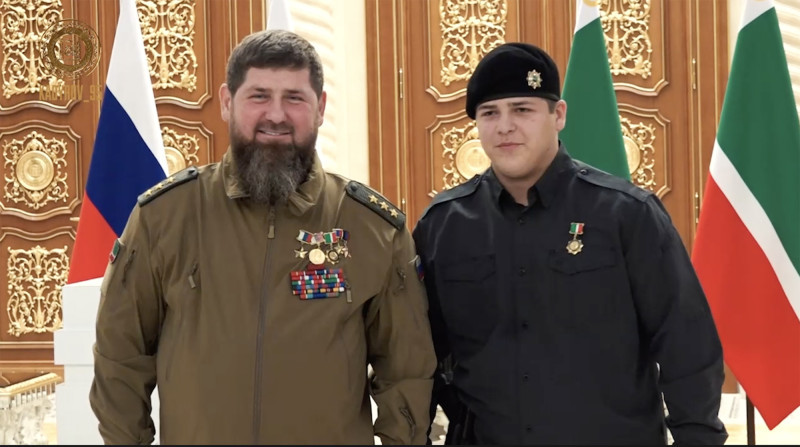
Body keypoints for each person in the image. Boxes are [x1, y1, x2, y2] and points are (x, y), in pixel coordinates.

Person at [89, 29, 436, 445]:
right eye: (259, 96)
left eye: (294, 98)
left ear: (321, 108)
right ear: (227, 102)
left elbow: (407, 370)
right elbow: (120, 358)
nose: (276, 115)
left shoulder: (372, 228)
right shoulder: (164, 217)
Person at [412, 42, 728, 445]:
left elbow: (687, 345)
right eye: (489, 113)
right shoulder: (444, 226)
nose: (505, 126)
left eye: (522, 109)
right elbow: (418, 355)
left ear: (558, 115)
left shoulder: (627, 215)